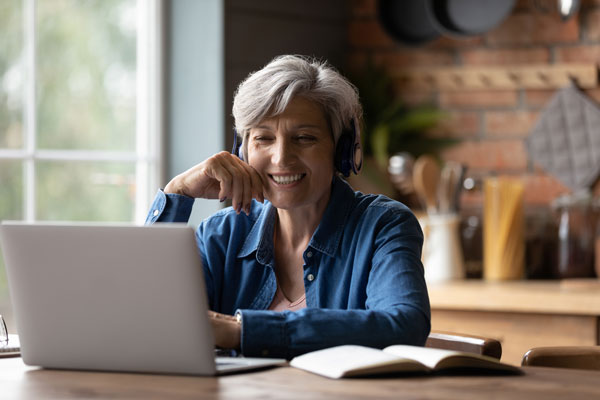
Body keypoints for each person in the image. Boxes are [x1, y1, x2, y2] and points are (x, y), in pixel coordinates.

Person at [146, 55, 430, 359]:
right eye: (263, 138)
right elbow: (145, 317)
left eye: (304, 138)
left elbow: (404, 324)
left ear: (342, 151)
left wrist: (243, 331)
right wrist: (178, 194)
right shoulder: (221, 234)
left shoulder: (383, 225)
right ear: (241, 151)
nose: (281, 158)